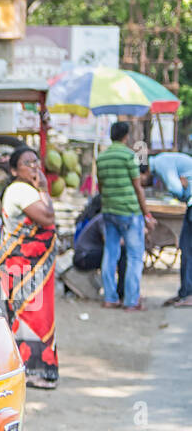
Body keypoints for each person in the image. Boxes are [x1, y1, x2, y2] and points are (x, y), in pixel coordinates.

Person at [0, 147, 59, 388]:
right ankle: (35, 370)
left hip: (32, 265)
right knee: (31, 315)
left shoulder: (28, 189)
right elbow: (46, 218)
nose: (34, 166)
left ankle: (36, 369)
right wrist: (43, 189)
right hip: (23, 264)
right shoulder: (20, 190)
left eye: (36, 161)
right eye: (27, 163)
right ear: (14, 170)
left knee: (36, 315)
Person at [95, 121, 155, 310]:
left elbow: (101, 187)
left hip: (109, 211)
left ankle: (110, 298)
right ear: (126, 136)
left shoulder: (102, 157)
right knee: (135, 256)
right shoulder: (129, 156)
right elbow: (138, 187)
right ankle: (131, 301)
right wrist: (147, 214)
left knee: (110, 254)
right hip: (129, 212)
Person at [148, 150, 192, 307]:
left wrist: (181, 189)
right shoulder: (164, 159)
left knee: (188, 249)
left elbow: (175, 189)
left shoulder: (161, 163)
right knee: (186, 249)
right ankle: (185, 293)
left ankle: (189, 294)